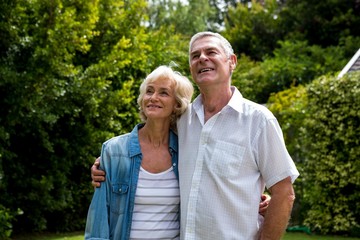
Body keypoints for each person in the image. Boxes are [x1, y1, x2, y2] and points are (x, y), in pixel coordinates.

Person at [92, 31, 298, 239]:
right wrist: (108, 162)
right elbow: (148, 143)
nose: (202, 58)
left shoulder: (259, 121)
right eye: (195, 55)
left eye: (211, 52)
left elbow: (284, 193)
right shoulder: (183, 120)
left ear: (232, 62)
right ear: (191, 67)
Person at [85, 65, 194, 239]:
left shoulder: (187, 151)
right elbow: (99, 217)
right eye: (149, 91)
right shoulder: (113, 151)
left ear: (177, 104)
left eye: (163, 93)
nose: (153, 98)